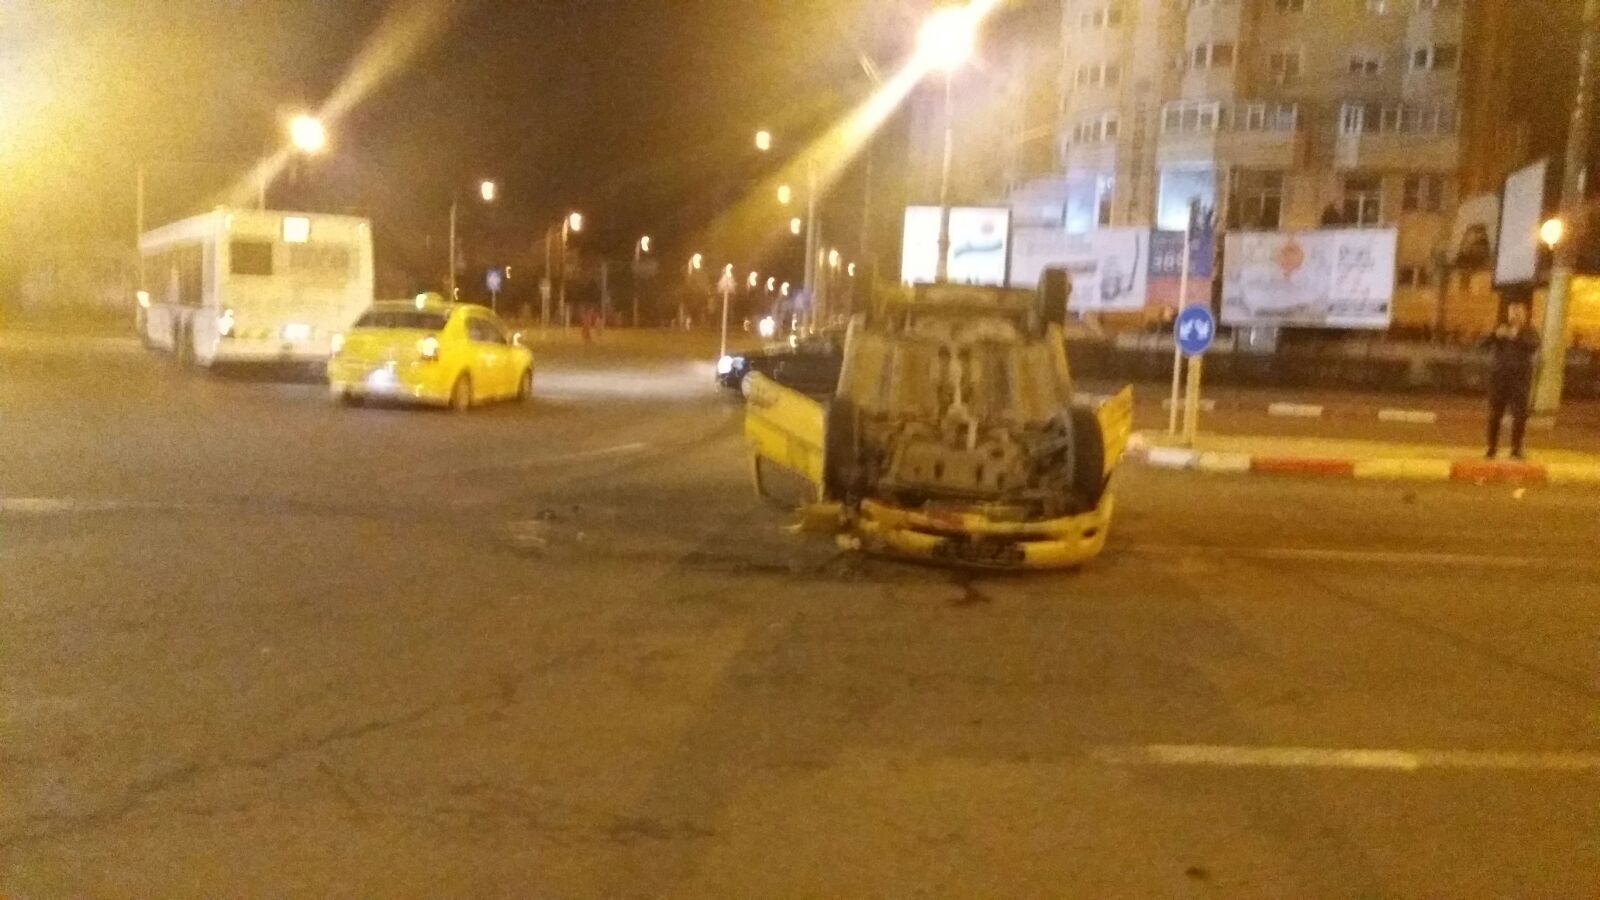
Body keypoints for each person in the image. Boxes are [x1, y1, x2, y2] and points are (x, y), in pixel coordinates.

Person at [1480, 298, 1540, 460]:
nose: (1515, 315)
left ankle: (1516, 449)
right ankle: (1491, 447)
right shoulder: (1500, 329)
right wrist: (1494, 335)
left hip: (1520, 381)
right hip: (1498, 379)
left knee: (1519, 415)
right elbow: (1482, 344)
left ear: (1525, 314)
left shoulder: (1529, 331)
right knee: (1495, 414)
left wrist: (1516, 336)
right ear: (1508, 313)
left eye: (1519, 312)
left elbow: (1534, 346)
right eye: (1513, 312)